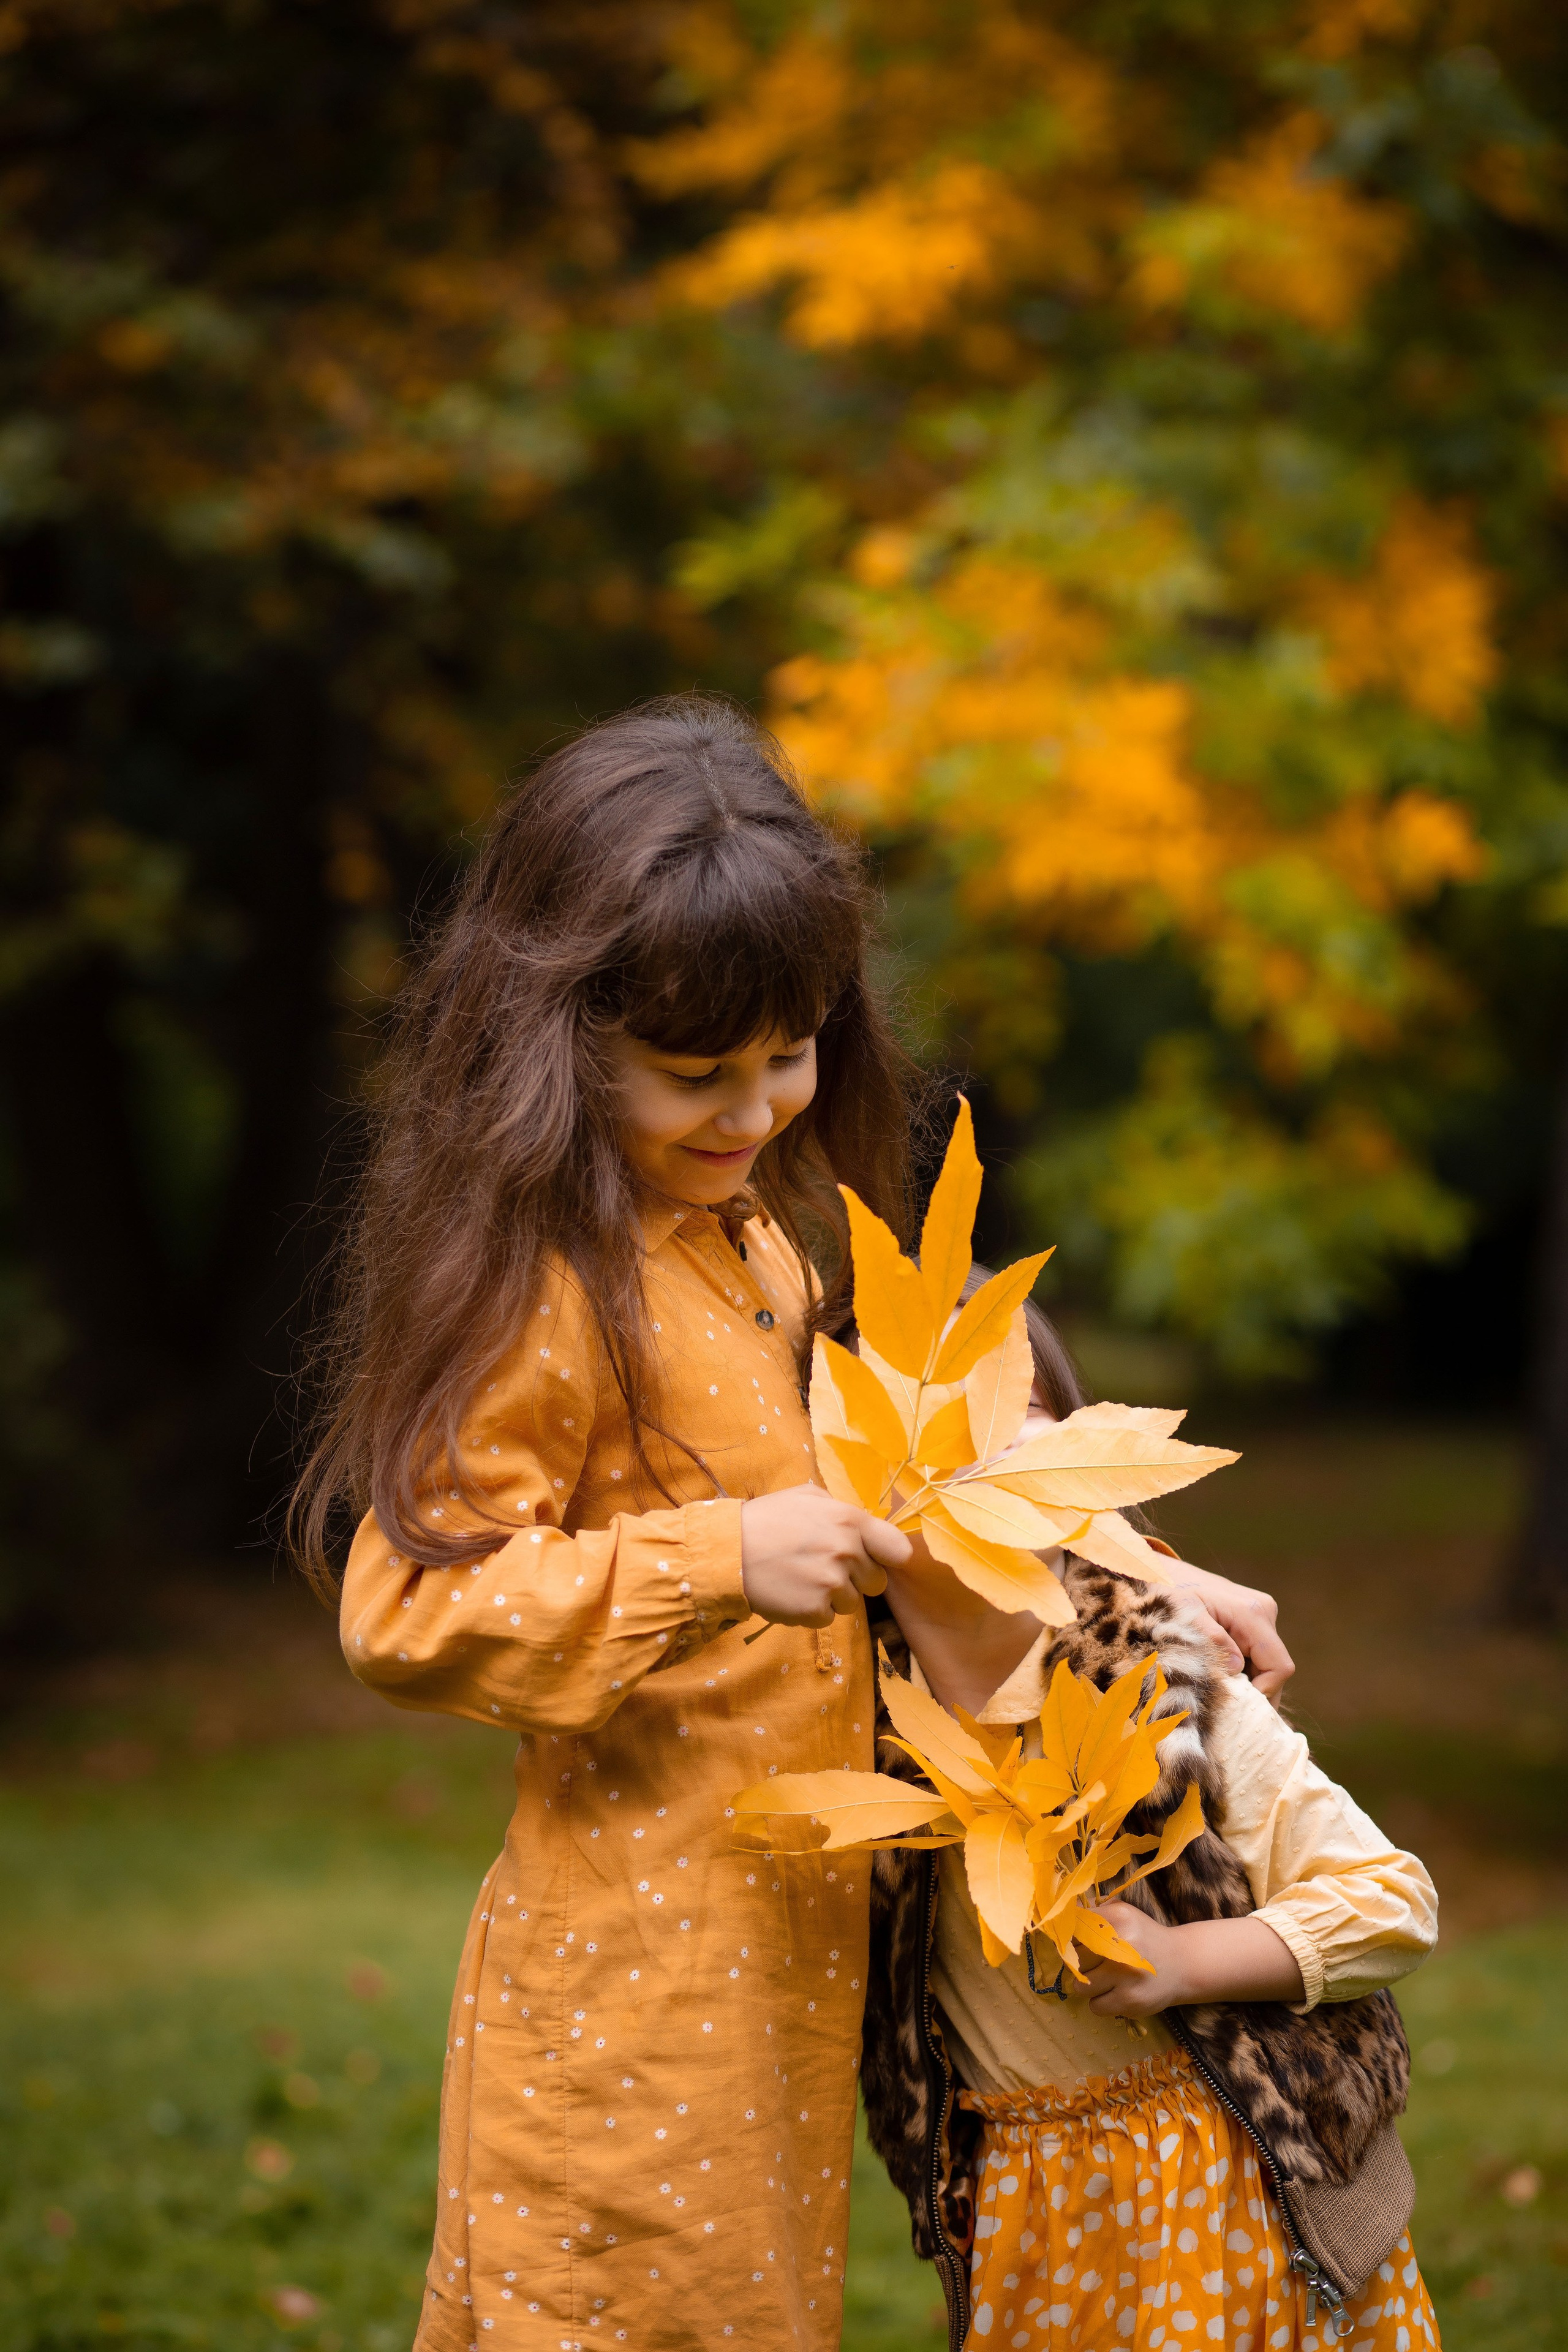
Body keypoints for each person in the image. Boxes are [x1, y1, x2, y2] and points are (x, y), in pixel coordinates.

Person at [292, 696, 1294, 2352]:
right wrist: (717, 1559)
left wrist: (1156, 1577)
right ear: (559, 1037)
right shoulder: (553, 1286)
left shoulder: (768, 1236)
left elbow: (942, 1481)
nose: (754, 1106)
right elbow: (403, 1609)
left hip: (793, 1958)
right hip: (632, 1991)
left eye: (791, 1051)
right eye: (698, 1072)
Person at [859, 1297, 1441, 2352]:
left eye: (1019, 1421)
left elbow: (1393, 1900)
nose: (974, 1465)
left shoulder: (1170, 1689)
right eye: (925, 1427)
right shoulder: (855, 1722)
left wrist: (1182, 1958)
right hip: (1036, 2217)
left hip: (1236, 2185)